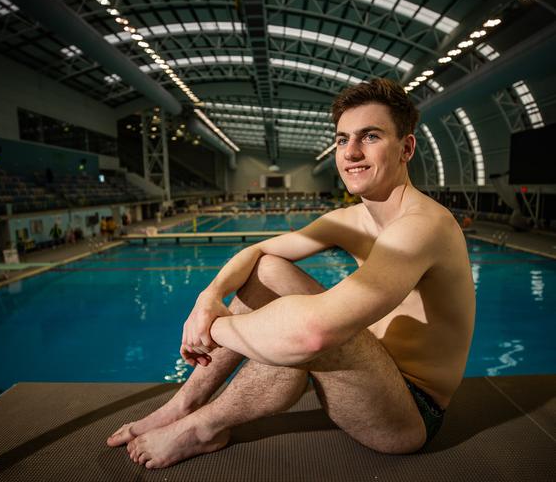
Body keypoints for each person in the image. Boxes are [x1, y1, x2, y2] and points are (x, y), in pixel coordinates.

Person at [107, 78, 476, 469]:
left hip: (408, 412)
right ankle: (184, 403)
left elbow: (313, 333)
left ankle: (202, 427)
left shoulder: (422, 226)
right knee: (268, 270)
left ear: (406, 148)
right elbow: (257, 250)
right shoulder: (349, 220)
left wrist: (212, 329)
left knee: (304, 331)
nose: (350, 152)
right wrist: (208, 299)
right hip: (366, 372)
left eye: (370, 137)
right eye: (341, 139)